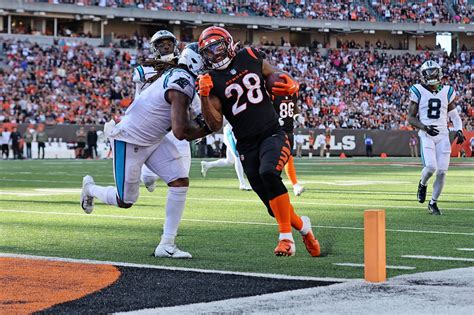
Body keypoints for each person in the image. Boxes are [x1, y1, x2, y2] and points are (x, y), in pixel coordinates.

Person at [197, 26, 320, 257]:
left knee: (269, 173)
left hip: (272, 132)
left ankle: (286, 239)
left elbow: (273, 73)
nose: (214, 54)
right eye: (208, 51)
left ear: (229, 43)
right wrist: (203, 96)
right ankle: (305, 229)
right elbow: (214, 124)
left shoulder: (249, 56)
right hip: (245, 144)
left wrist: (290, 82)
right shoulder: (210, 80)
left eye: (217, 47)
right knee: (274, 208)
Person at [81, 42, 210, 258]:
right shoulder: (181, 79)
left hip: (154, 139)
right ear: (195, 61)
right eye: (206, 58)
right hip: (130, 139)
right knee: (126, 201)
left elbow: (198, 112)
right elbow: (181, 130)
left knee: (179, 181)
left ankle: (167, 244)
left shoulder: (183, 77)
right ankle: (90, 189)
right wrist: (208, 128)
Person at [132, 30, 201, 193]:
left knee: (183, 174)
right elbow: (139, 98)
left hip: (180, 123)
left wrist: (199, 120)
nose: (165, 47)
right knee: (148, 178)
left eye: (169, 43)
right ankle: (149, 179)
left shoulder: (185, 65)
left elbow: (194, 96)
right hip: (156, 126)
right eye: (161, 44)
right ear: (154, 48)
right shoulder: (145, 70)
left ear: (175, 46)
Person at [407, 60, 465, 215]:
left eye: (433, 72)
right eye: (428, 73)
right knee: (431, 167)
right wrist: (425, 127)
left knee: (442, 172)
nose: (431, 76)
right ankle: (423, 183)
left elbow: (455, 116)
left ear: (439, 73)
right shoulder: (418, 90)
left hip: (443, 135)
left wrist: (459, 130)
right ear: (422, 75)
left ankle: (433, 203)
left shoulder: (447, 90)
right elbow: (410, 118)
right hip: (426, 134)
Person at [200, 122, 252, 191]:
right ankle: (242, 184)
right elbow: (220, 121)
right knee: (238, 157)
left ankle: (207, 165)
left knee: (229, 161)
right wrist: (203, 134)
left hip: (235, 134)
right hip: (230, 134)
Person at [273, 94, 305, 196]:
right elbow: (265, 109)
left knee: (289, 158)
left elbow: (294, 108)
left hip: (289, 130)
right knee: (276, 158)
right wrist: (274, 119)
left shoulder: (292, 95)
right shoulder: (273, 94)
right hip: (276, 131)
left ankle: (295, 185)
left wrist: (297, 116)